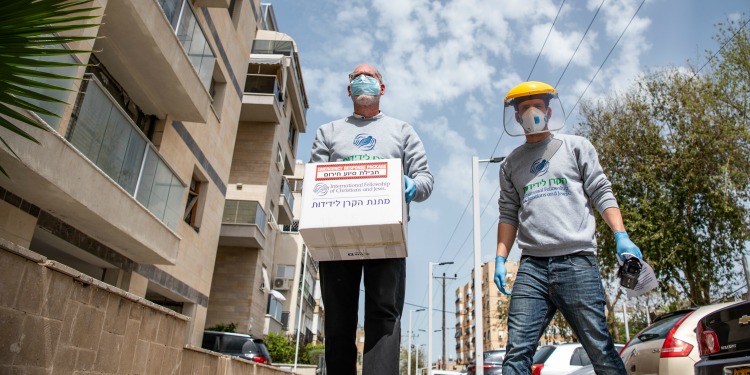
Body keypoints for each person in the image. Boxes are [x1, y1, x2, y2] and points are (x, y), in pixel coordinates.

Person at [493, 81, 642, 375]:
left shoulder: (576, 147)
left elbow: (601, 191)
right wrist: (500, 257)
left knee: (599, 347)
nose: (530, 113)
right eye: (524, 108)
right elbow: (508, 214)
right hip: (532, 267)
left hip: (577, 261)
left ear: (549, 112)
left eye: (537, 106)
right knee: (516, 353)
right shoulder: (510, 164)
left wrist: (620, 235)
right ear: (515, 116)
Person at [309, 64, 433, 375]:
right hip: (337, 240)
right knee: (338, 318)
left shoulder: (402, 131)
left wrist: (413, 186)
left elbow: (425, 179)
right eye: (355, 76)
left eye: (371, 75)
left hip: (387, 239)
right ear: (349, 90)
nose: (363, 79)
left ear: (382, 87)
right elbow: (315, 182)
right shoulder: (328, 132)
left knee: (384, 317)